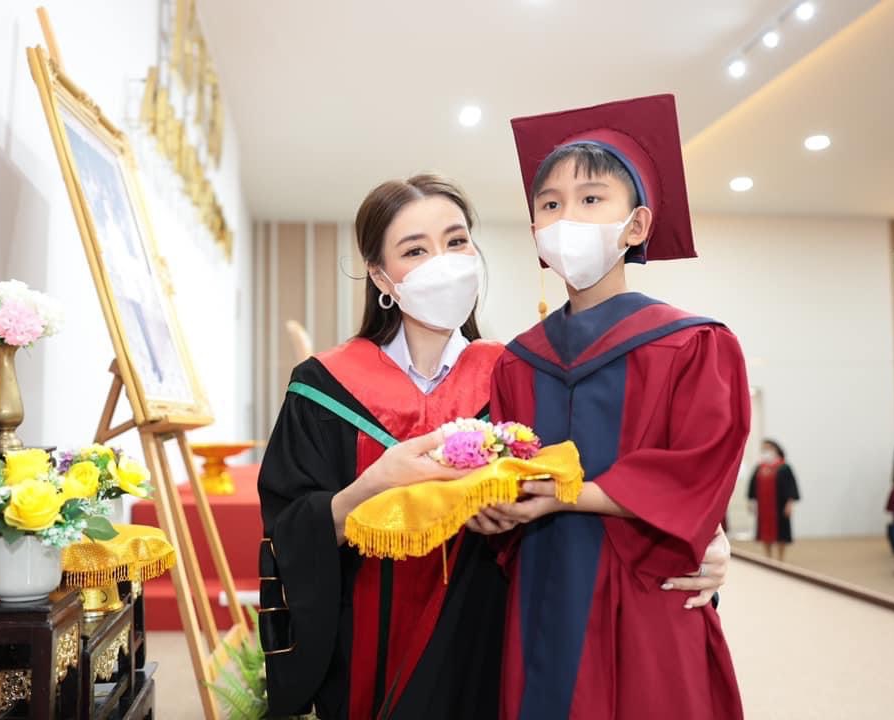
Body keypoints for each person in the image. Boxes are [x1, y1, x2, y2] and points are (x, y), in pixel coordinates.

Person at [257, 173, 730, 719]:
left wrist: (706, 539)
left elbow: (591, 483)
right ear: (380, 275)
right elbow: (287, 533)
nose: (443, 262)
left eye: (456, 241)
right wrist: (372, 486)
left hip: (489, 642)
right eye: (415, 250)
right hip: (366, 651)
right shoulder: (323, 388)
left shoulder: (523, 375)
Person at [471, 95, 748, 720]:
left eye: (591, 198)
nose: (567, 217)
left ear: (637, 226)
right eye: (550, 205)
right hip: (544, 592)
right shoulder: (518, 361)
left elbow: (698, 471)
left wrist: (567, 495)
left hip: (645, 592)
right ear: (537, 234)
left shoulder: (692, 344)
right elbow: (505, 475)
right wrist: (491, 510)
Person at [747, 439, 800, 561]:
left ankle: (780, 559)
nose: (766, 451)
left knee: (781, 533)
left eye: (768, 448)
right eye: (763, 449)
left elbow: (791, 487)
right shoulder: (759, 467)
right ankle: (768, 558)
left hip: (780, 506)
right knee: (765, 532)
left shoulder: (784, 467)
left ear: (776, 449)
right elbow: (752, 486)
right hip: (764, 507)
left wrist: (790, 504)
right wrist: (751, 501)